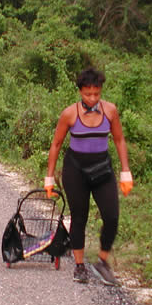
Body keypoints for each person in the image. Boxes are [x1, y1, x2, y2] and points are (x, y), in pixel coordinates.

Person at [44, 67, 133, 285]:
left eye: (96, 94)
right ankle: (80, 265)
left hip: (102, 168)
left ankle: (102, 261)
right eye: (87, 94)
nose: (92, 98)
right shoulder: (69, 113)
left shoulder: (110, 111)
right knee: (79, 216)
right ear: (80, 92)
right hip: (76, 170)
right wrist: (49, 177)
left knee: (111, 216)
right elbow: (56, 144)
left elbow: (120, 140)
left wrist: (125, 171)